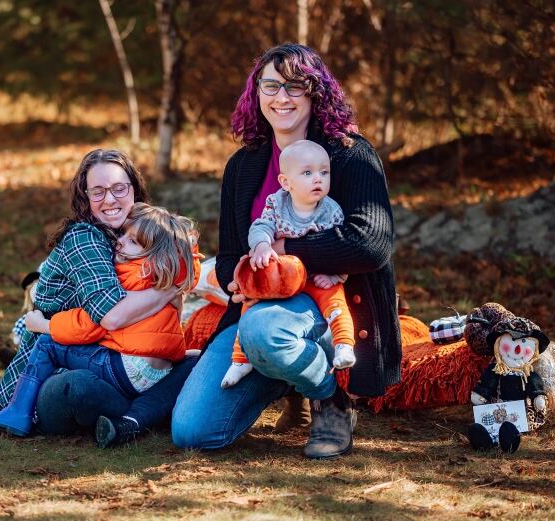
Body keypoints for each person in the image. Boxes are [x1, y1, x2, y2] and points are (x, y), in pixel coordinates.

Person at [171, 43, 401, 459]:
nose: (282, 97)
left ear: (316, 92)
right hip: (258, 307)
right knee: (192, 430)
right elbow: (227, 260)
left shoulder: (350, 156)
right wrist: (238, 278)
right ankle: (289, 375)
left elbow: (372, 243)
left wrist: (286, 249)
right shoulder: (243, 166)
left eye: (296, 86)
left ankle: (329, 397)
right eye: (271, 85)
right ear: (256, 93)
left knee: (263, 330)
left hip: (329, 305)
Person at [0, 149, 198, 445]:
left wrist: (172, 285)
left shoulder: (139, 238)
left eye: (119, 188)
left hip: (116, 363)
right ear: (85, 196)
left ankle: (129, 420)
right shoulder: (86, 237)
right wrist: (170, 287)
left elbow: (185, 263)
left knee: (200, 358)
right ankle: (140, 414)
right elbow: (110, 317)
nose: (109, 200)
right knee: (78, 386)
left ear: (134, 188)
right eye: (98, 192)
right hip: (61, 375)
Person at [220, 139, 355, 388]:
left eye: (324, 172)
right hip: (281, 278)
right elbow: (262, 226)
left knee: (335, 301)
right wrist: (261, 245)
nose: (318, 179)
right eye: (307, 173)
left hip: (317, 276)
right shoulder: (277, 203)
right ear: (285, 182)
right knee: (250, 303)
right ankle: (241, 359)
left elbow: (343, 248)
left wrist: (337, 276)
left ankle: (344, 345)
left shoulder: (331, 210)